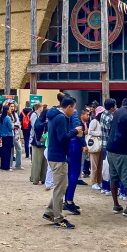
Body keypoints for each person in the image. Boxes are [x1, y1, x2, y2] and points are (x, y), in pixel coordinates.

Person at [43, 96, 80, 228]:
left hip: (55, 154)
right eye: (74, 108)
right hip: (58, 156)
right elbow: (63, 138)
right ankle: (58, 218)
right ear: (69, 106)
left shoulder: (54, 116)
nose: (74, 111)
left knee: (61, 186)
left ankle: (49, 211)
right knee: (60, 188)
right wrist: (75, 131)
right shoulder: (61, 118)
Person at [63, 107, 88, 214]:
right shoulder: (74, 112)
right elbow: (78, 130)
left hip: (67, 144)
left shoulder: (60, 113)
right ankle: (69, 201)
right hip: (75, 144)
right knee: (75, 173)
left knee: (70, 173)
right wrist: (83, 144)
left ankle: (67, 199)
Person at [100, 98, 117, 195]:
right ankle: (107, 188)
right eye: (114, 106)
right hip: (109, 144)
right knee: (109, 167)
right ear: (111, 107)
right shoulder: (110, 118)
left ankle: (104, 187)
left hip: (104, 143)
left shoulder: (103, 114)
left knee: (106, 166)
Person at [29, 104, 48, 185]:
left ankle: (38, 178)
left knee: (40, 162)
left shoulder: (40, 120)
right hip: (41, 142)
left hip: (39, 143)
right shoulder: (41, 121)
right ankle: (37, 178)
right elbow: (36, 127)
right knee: (40, 162)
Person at [88, 106, 104, 190]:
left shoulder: (102, 122)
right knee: (94, 165)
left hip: (101, 145)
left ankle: (99, 181)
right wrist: (100, 133)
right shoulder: (94, 121)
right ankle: (93, 182)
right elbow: (90, 131)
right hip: (95, 145)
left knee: (100, 165)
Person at [0, 103, 15, 170]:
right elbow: (11, 127)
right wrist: (14, 125)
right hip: (8, 135)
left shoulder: (1, 117)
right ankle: (7, 166)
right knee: (8, 152)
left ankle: (2, 165)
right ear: (7, 110)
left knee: (3, 151)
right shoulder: (8, 118)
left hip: (3, 135)